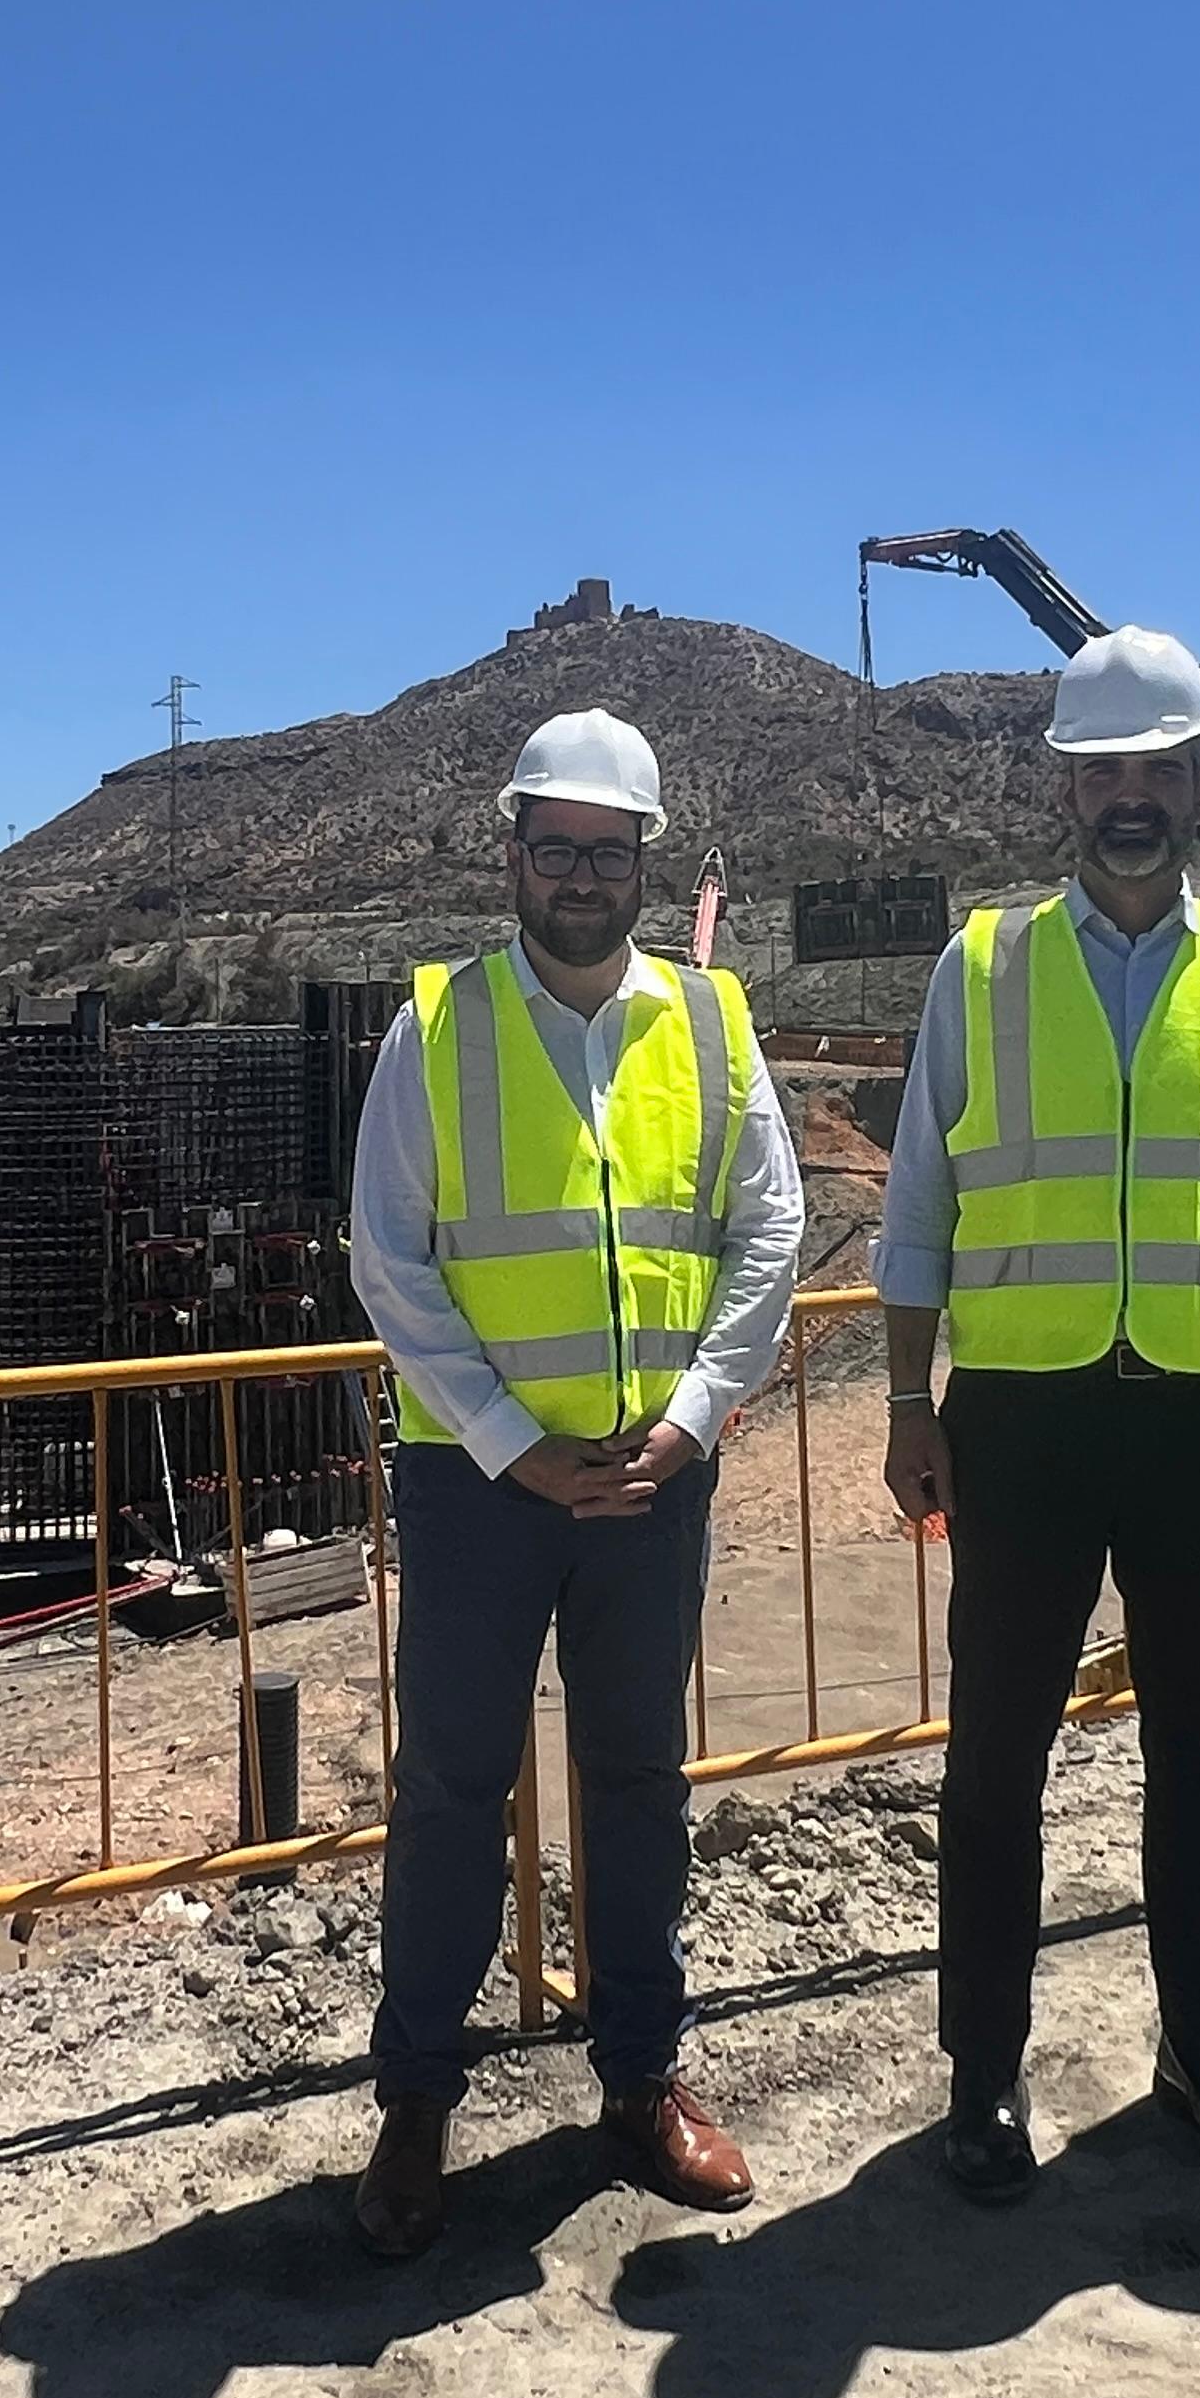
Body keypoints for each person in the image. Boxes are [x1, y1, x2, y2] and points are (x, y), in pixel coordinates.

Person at [876, 626, 1200, 2203]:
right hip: (1021, 1413)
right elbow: (923, 1201)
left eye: (1162, 769)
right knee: (996, 1757)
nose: (1133, 798)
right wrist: (903, 1397)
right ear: (1066, 793)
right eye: (1106, 774)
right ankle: (983, 2072)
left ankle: (1199, 2050)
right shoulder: (983, 963)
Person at [343, 707, 807, 2257]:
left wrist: (689, 1420)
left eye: (609, 853)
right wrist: (509, 1443)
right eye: (557, 849)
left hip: (650, 1482)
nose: (582, 877)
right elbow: (389, 1263)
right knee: (451, 1795)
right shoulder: (436, 1028)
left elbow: (767, 1234)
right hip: (485, 1493)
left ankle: (640, 2078)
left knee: (636, 1788)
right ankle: (418, 2103)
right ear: (516, 852)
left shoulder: (717, 1026)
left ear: (645, 865)